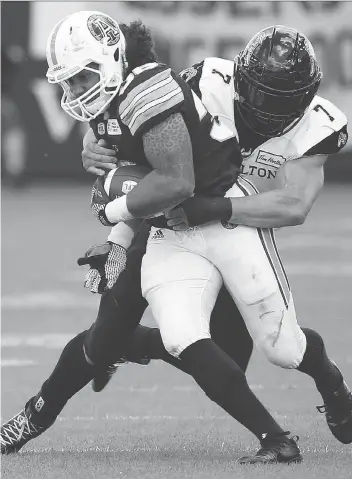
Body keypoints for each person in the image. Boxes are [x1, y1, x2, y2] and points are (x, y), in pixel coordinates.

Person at [1, 12, 290, 465]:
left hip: (219, 219)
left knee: (255, 350)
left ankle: (329, 387)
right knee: (106, 342)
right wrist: (118, 236)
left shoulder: (147, 89)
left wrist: (112, 210)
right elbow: (137, 178)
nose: (77, 91)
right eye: (70, 82)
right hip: (166, 230)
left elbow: (174, 181)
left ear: (113, 59)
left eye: (83, 77)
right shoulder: (110, 95)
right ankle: (30, 419)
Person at [80, 23, 352, 453]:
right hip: (178, 223)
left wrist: (217, 208)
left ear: (305, 98)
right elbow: (136, 125)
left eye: (279, 99)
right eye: (258, 92)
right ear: (240, 76)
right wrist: (94, 142)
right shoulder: (207, 81)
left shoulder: (317, 125)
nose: (264, 108)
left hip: (242, 231)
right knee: (172, 333)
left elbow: (294, 205)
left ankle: (330, 380)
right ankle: (119, 342)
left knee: (274, 350)